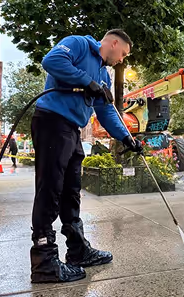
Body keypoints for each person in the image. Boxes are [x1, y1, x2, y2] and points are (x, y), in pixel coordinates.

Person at [30, 29, 143, 283]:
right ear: (114, 43)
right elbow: (51, 61)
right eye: (123, 53)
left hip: (71, 129)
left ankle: (78, 250)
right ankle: (44, 261)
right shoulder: (79, 45)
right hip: (52, 122)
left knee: (71, 190)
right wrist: (86, 81)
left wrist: (126, 138)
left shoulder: (104, 74)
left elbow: (106, 110)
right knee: (50, 189)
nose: (122, 60)